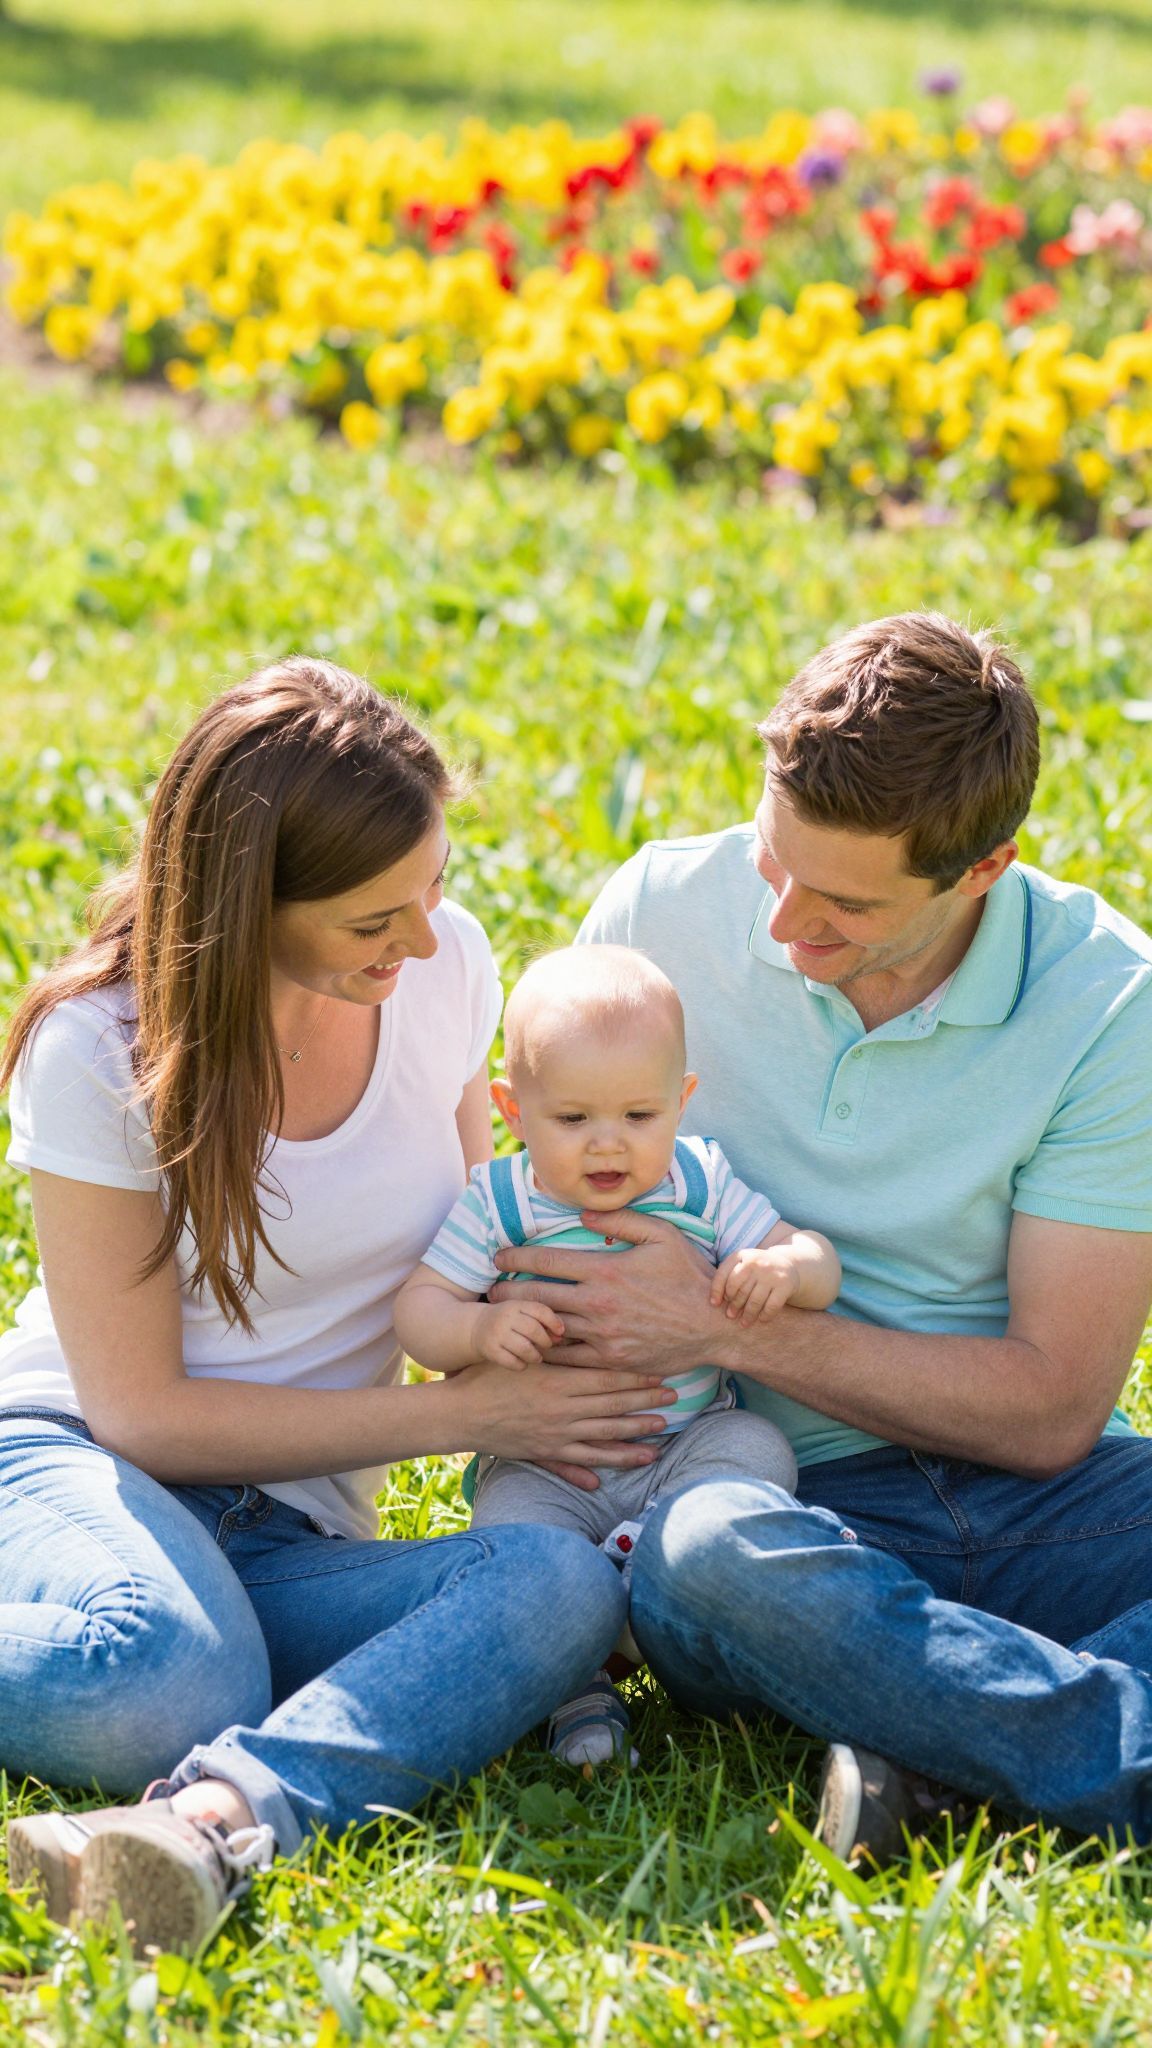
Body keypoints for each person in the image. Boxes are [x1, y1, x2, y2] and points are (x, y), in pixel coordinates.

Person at [0, 657, 681, 1954]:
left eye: (430, 892)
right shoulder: (98, 1048)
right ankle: (194, 1741)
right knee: (164, 1682)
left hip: (286, 1530)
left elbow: (494, 1237)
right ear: (254, 903)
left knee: (554, 1587)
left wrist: (611, 1382)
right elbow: (142, 1414)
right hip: (80, 1465)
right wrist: (458, 1415)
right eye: (378, 919)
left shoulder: (444, 970)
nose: (423, 940)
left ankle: (210, 1822)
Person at [488, 612, 1152, 1860]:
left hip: (1033, 1494)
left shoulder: (1111, 1001)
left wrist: (720, 1319)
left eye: (846, 904)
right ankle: (1074, 1746)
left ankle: (947, 1764)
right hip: (763, 1501)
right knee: (707, 1552)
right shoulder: (655, 914)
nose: (788, 924)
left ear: (982, 869)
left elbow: (1054, 1408)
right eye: (773, 861)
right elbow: (551, 1238)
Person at [394, 945, 838, 1765]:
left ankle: (648, 1557)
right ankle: (578, 1698)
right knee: (515, 1543)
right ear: (513, 1110)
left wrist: (783, 1268)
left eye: (640, 1117)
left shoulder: (698, 1185)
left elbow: (815, 1258)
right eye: (573, 1120)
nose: (609, 1147)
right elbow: (419, 1312)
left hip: (681, 1448)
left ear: (682, 1102)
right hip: (544, 1464)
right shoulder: (499, 1201)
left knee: (756, 1450)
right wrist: (477, 1332)